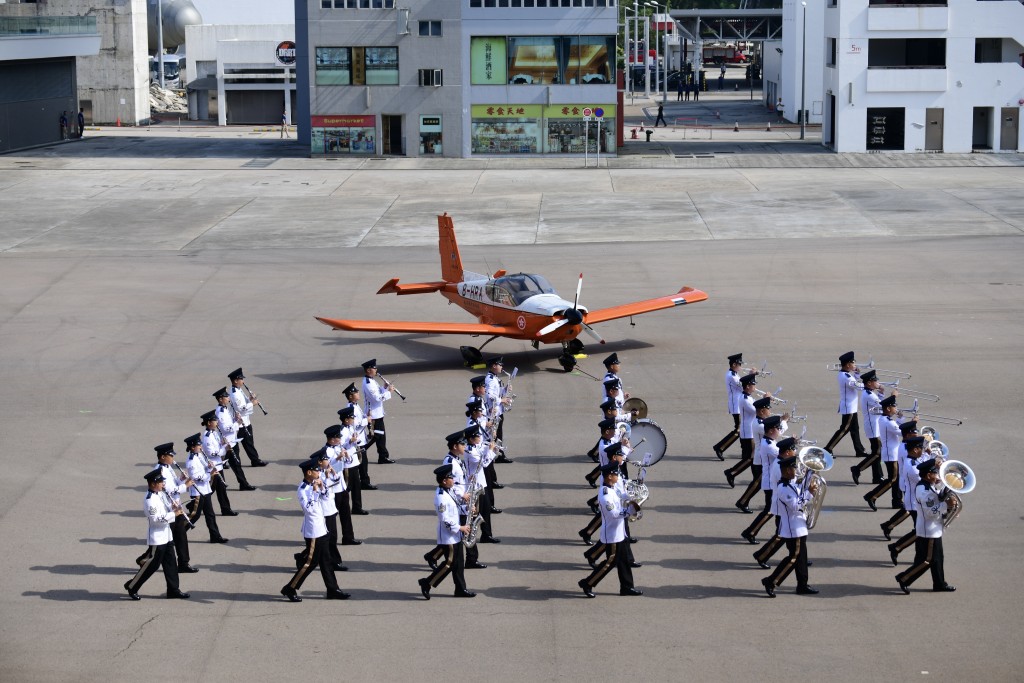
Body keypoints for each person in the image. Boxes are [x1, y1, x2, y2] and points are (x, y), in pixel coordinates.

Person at [281, 460, 350, 602]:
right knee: (310, 563)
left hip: (322, 528)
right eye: (316, 470)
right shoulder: (303, 489)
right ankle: (290, 587)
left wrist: (322, 487)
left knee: (326, 561)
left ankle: (333, 589)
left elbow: (326, 497)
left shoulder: (316, 483)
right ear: (309, 472)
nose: (319, 472)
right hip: (313, 532)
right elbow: (308, 509)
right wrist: (314, 491)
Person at [124, 470, 191, 600]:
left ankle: (173, 590)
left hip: (167, 535)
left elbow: (166, 509)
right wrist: (174, 514)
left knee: (171, 563)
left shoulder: (160, 494)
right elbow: (156, 519)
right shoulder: (149, 500)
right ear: (154, 484)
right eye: (161, 482)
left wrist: (174, 508)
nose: (163, 484)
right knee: (152, 566)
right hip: (158, 538)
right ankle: (132, 586)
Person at [578, 463, 642, 598]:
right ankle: (588, 583)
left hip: (620, 533)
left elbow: (622, 496)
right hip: (613, 535)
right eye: (615, 474)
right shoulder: (605, 496)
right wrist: (629, 511)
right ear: (609, 476)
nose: (617, 476)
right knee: (609, 563)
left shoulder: (612, 488)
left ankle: (627, 587)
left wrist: (634, 496)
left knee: (624, 561)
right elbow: (613, 514)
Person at [895, 459, 956, 594]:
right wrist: (947, 505)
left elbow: (936, 499)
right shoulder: (924, 491)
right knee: (927, 560)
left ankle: (939, 583)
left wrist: (945, 493)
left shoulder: (929, 486)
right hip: (928, 531)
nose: (938, 477)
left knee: (938, 559)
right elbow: (930, 512)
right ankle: (904, 578)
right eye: (935, 474)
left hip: (934, 530)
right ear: (928, 475)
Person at [761, 455, 818, 598]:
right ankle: (771, 581)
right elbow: (795, 505)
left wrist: (809, 474)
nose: (796, 470)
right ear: (787, 471)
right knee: (793, 558)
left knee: (801, 558)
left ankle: (802, 585)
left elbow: (800, 488)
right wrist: (810, 494)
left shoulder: (790, 482)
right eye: (794, 468)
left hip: (799, 527)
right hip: (793, 529)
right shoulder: (783, 488)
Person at [418, 464, 475, 599]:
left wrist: (468, 508)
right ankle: (427, 583)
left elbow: (455, 507)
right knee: (449, 564)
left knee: (459, 564)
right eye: (451, 478)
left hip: (455, 535)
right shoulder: (441, 497)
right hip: (448, 536)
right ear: (444, 480)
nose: (453, 480)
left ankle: (460, 589)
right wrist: (460, 528)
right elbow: (444, 519)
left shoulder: (449, 490)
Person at [142, 443, 197, 574]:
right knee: (165, 543)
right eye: (170, 455)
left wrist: (181, 480)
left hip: (176, 508)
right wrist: (186, 486)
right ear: (162, 457)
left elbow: (173, 484)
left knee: (181, 536)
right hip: (169, 510)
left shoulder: (168, 467)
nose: (172, 458)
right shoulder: (159, 471)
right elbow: (168, 490)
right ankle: (144, 559)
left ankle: (184, 563)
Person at [886, 436, 928, 564]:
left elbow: (923, 465)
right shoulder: (913, 467)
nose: (923, 450)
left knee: (920, 531)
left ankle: (915, 555)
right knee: (920, 532)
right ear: (915, 450)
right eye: (921, 448)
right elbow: (925, 478)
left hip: (916, 502)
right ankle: (897, 547)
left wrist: (930, 458)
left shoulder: (914, 461)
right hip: (915, 504)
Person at [737, 415, 782, 532]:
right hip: (771, 483)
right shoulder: (769, 445)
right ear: (771, 430)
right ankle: (750, 532)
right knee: (770, 510)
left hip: (771, 481)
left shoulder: (768, 441)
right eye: (778, 428)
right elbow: (784, 455)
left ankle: (780, 532)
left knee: (775, 510)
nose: (780, 430)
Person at [184, 433, 228, 544]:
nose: (201, 447)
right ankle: (178, 533)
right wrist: (210, 473)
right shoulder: (191, 461)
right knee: (195, 516)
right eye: (199, 445)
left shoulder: (200, 455)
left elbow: (204, 470)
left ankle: (215, 536)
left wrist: (209, 467)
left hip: (206, 490)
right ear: (193, 447)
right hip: (198, 492)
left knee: (210, 514)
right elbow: (197, 477)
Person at [723, 373, 759, 508]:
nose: (755, 386)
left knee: (747, 457)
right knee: (750, 458)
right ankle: (732, 472)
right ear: (748, 386)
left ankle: (735, 473)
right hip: (748, 432)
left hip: (748, 431)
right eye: (753, 384)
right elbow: (757, 411)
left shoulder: (747, 397)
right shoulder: (745, 399)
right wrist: (766, 400)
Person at [823, 352, 868, 460]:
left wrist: (857, 374)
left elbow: (856, 382)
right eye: (853, 363)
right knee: (844, 430)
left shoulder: (846, 374)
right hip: (849, 408)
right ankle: (828, 448)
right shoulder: (847, 377)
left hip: (851, 407)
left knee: (855, 429)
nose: (855, 365)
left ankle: (859, 450)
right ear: (847, 364)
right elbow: (859, 387)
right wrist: (868, 383)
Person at [863, 397, 903, 511]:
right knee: (892, 479)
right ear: (888, 408)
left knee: (897, 478)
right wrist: (912, 422)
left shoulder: (886, 419)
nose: (896, 408)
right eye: (894, 406)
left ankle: (897, 500)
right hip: (891, 454)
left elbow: (898, 428)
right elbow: (901, 432)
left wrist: (899, 419)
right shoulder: (888, 422)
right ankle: (871, 496)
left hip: (892, 453)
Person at [213, 387, 256, 491]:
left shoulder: (225, 408)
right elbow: (226, 428)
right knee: (220, 466)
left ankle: (243, 484)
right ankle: (214, 487)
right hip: (227, 444)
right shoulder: (220, 412)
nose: (228, 398)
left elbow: (229, 422)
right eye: (226, 396)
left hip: (232, 441)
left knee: (235, 464)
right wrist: (238, 423)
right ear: (220, 399)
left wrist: (235, 419)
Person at [851, 370, 885, 485]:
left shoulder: (870, 393)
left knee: (877, 452)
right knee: (876, 453)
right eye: (875, 381)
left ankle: (877, 476)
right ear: (869, 383)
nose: (878, 382)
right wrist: (891, 396)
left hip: (874, 425)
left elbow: (879, 408)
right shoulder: (870, 395)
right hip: (873, 426)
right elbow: (883, 407)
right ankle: (857, 469)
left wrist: (881, 392)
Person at [228, 368, 268, 467]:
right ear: (236, 380)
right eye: (241, 379)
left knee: (248, 442)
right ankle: (226, 461)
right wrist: (252, 403)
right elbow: (241, 408)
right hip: (240, 423)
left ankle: (255, 460)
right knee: (234, 444)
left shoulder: (239, 389)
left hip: (245, 421)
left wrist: (250, 399)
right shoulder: (234, 393)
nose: (243, 381)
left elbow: (244, 403)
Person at [200, 411, 237, 516]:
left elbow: (217, 446)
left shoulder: (215, 433)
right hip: (213, 467)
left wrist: (223, 443)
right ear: (209, 423)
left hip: (218, 465)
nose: (217, 422)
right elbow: (212, 453)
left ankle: (226, 509)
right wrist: (224, 448)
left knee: (220, 488)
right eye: (215, 420)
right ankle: (195, 504)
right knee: (211, 489)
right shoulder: (207, 436)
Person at [343, 382, 377, 490]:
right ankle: (364, 482)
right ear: (350, 396)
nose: (358, 393)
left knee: (364, 462)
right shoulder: (351, 408)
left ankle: (364, 481)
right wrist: (366, 420)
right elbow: (355, 424)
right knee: (362, 463)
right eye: (356, 392)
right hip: (357, 439)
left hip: (361, 437)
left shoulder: (355, 406)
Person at [362, 359, 395, 463]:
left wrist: (384, 387)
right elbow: (377, 398)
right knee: (376, 436)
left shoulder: (372, 380)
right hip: (373, 415)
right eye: (374, 368)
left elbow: (378, 391)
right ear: (368, 370)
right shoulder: (368, 383)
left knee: (381, 437)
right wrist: (389, 392)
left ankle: (383, 457)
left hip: (378, 414)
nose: (376, 370)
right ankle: (361, 450)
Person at [713, 353, 745, 460]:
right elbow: (743, 387)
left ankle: (745, 451)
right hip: (736, 405)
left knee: (743, 429)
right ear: (734, 364)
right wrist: (752, 375)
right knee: (739, 429)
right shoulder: (731, 376)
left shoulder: (734, 374)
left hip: (739, 404)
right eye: (739, 364)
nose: (741, 366)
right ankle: (720, 447)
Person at [484, 356, 513, 463]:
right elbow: (489, 395)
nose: (502, 367)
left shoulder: (495, 378)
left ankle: (499, 454)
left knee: (498, 434)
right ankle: (491, 455)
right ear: (494, 366)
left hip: (498, 411)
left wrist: (505, 389)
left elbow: (497, 392)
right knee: (493, 435)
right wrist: (502, 400)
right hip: (494, 412)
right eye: (500, 365)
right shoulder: (490, 379)